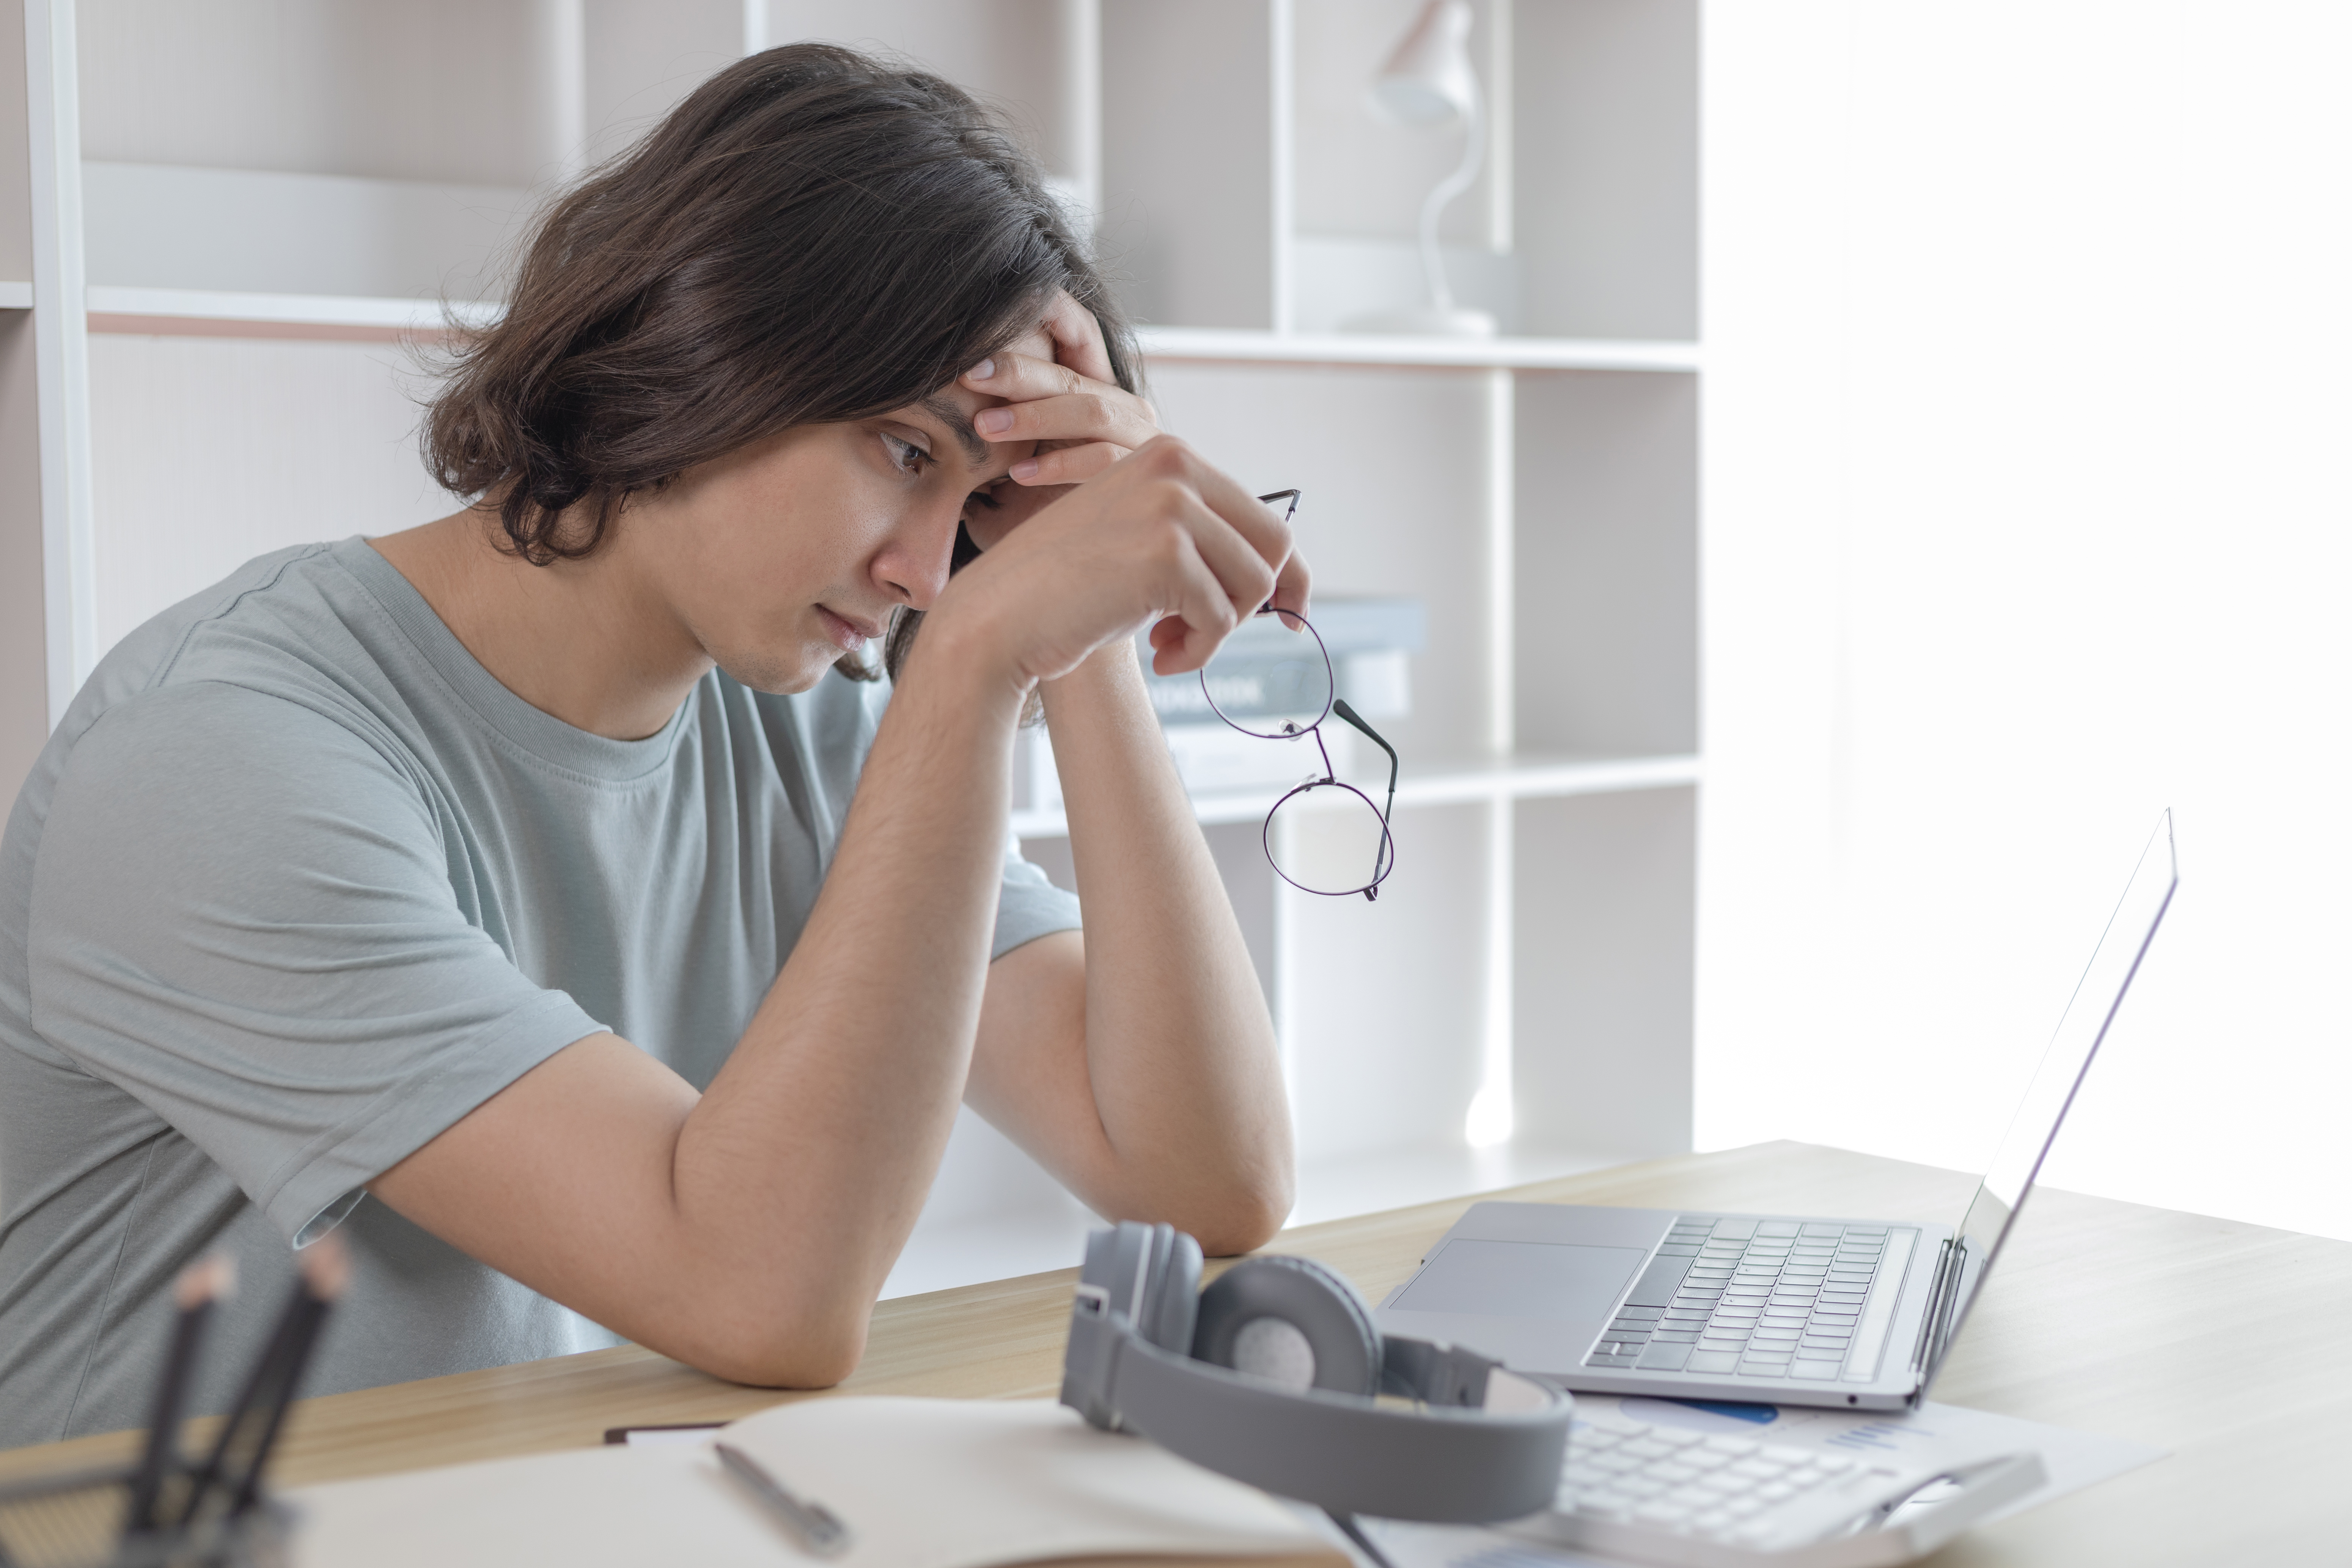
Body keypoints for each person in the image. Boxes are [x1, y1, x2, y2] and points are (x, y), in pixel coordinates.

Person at [0, 44, 1302, 1446]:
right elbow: (764, 1298)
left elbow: (1203, 1180)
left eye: (983, 503)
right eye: (908, 453)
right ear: (710, 343)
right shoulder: (222, 759)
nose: (934, 572)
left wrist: (1077, 628)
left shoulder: (794, 730)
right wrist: (985, 654)